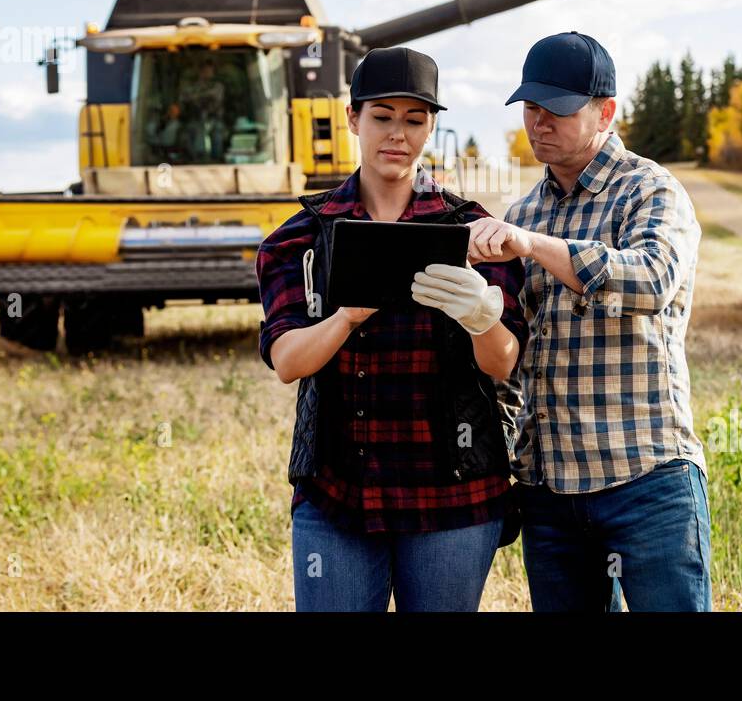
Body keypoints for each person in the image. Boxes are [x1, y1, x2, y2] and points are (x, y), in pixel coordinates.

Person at [255, 46, 528, 612]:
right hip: (338, 494)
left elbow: (504, 362)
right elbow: (287, 362)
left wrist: (483, 316)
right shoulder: (300, 238)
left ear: (432, 126)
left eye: (414, 119)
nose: (397, 134)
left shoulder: (472, 232)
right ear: (353, 118)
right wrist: (347, 315)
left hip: (451, 494)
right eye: (382, 116)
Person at [466, 31, 711, 612]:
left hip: (646, 478)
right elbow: (511, 358)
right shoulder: (525, 211)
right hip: (550, 492)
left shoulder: (651, 191)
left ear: (606, 111)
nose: (539, 122)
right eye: (530, 108)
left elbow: (651, 279)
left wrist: (534, 245)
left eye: (557, 109)